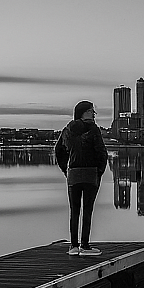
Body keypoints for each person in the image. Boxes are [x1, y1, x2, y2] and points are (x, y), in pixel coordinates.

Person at [55, 100, 108, 255]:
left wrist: (67, 169)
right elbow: (101, 153)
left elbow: (59, 151)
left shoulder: (67, 130)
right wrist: (99, 171)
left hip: (73, 174)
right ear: (83, 112)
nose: (93, 114)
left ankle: (73, 246)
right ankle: (85, 246)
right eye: (91, 111)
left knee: (74, 210)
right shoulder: (93, 129)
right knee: (87, 210)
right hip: (91, 174)